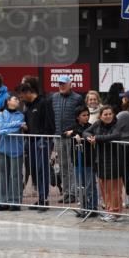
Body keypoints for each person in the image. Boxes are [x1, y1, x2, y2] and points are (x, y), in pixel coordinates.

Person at [19, 83, 55, 211]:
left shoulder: (43, 103)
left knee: (42, 169)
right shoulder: (28, 107)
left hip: (42, 141)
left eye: (22, 96)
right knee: (35, 171)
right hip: (31, 141)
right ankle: (41, 198)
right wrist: (25, 129)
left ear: (28, 92)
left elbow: (50, 122)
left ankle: (44, 200)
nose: (21, 99)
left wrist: (46, 138)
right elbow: (29, 125)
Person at [87, 104, 123, 221]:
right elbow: (86, 132)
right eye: (105, 114)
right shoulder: (97, 124)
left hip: (114, 160)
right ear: (100, 116)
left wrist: (96, 138)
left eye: (110, 114)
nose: (108, 116)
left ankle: (115, 212)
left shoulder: (117, 124)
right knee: (104, 188)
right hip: (100, 160)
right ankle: (109, 211)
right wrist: (89, 138)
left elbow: (115, 135)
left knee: (114, 189)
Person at [51, 75, 84, 204]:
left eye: (64, 83)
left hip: (71, 137)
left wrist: (75, 131)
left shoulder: (77, 98)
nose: (61, 86)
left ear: (70, 84)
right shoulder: (54, 97)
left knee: (72, 165)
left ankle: (74, 193)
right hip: (58, 137)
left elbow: (81, 117)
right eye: (60, 84)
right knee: (63, 165)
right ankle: (66, 192)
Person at [62, 104, 98, 216]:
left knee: (89, 185)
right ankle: (83, 207)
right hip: (77, 160)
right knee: (80, 185)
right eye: (83, 115)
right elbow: (63, 133)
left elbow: (86, 133)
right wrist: (72, 133)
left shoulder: (91, 126)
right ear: (77, 117)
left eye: (87, 115)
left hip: (88, 160)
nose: (86, 117)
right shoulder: (73, 126)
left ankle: (92, 207)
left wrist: (74, 133)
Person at [0, 94, 24, 211]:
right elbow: (1, 127)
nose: (17, 101)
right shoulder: (0, 114)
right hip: (2, 149)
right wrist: (16, 124)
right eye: (15, 98)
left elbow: (14, 130)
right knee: (2, 175)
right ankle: (2, 201)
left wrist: (3, 131)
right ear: (8, 102)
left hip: (16, 149)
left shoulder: (20, 115)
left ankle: (15, 201)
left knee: (15, 176)